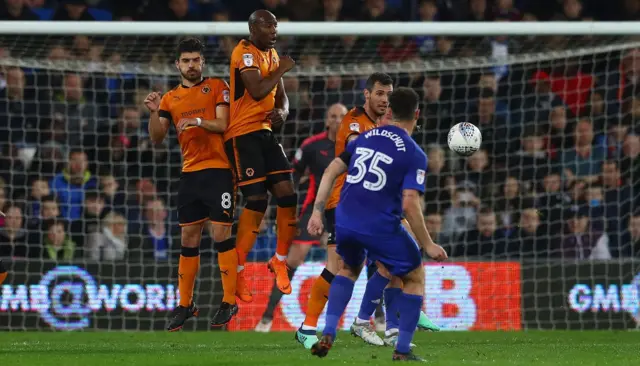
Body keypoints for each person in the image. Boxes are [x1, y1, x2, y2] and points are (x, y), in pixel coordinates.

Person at [295, 73, 440, 349]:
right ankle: (317, 325)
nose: (384, 99)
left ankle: (390, 324)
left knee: (387, 263)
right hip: (346, 201)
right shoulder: (355, 122)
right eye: (380, 93)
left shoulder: (379, 126)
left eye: (389, 94)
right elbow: (352, 156)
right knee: (342, 266)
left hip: (375, 203)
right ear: (367, 95)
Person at [144, 37, 239, 329]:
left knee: (221, 233)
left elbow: (223, 124)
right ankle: (186, 304)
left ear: (203, 62)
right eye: (186, 60)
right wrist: (152, 112)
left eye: (196, 60)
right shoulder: (170, 99)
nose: (191, 65)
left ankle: (229, 300)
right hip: (190, 173)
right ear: (177, 64)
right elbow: (157, 137)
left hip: (220, 170)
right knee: (188, 239)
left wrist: (197, 122)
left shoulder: (218, 86)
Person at [224, 9, 297, 301]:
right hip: (242, 135)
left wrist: (283, 112)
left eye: (276, 25)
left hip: (265, 132)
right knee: (256, 199)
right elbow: (255, 90)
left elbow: (281, 97)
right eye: (269, 25)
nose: (274, 30)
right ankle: (239, 269)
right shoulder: (245, 52)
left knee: (288, 195)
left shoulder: (273, 55)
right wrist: (282, 69)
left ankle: (279, 259)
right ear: (254, 27)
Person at [255, 103, 347, 332]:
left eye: (342, 116)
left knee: (355, 261)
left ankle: (376, 317)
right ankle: (266, 318)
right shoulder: (312, 146)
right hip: (315, 210)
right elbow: (294, 175)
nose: (337, 120)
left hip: (346, 211)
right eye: (333, 116)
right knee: (294, 260)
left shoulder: (356, 146)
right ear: (326, 120)